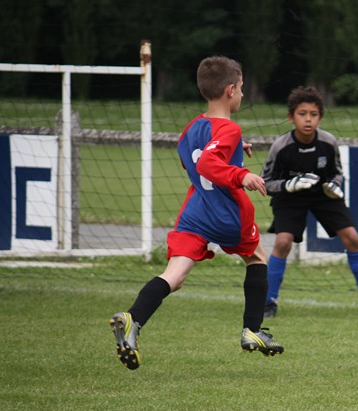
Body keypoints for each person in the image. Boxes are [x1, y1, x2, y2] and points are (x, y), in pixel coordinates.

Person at [109, 56, 283, 370]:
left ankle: (134, 318)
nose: (243, 94)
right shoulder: (229, 128)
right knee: (257, 258)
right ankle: (252, 331)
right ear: (231, 90)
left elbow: (191, 158)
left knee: (174, 276)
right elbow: (207, 162)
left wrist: (235, 149)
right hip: (228, 213)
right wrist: (241, 174)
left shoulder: (192, 128)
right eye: (242, 88)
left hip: (196, 212)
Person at [260, 86, 358, 318]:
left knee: (352, 237)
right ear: (291, 117)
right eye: (302, 114)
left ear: (320, 117)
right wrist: (288, 185)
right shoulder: (281, 146)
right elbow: (266, 182)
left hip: (323, 195)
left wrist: (334, 185)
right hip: (290, 197)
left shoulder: (328, 142)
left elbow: (337, 173)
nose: (308, 119)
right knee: (283, 241)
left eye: (313, 114)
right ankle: (268, 302)